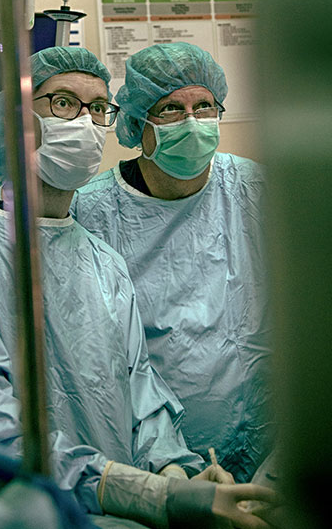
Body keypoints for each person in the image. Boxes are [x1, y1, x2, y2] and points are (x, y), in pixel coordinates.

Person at [0, 46, 277, 527]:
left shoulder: (101, 258)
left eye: (98, 107)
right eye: (63, 103)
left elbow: (141, 391)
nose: (84, 121)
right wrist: (139, 491)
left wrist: (176, 472)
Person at [70, 42, 272, 484]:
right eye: (170, 109)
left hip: (270, 441)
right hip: (150, 458)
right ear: (136, 123)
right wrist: (167, 473)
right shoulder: (91, 213)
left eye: (204, 107)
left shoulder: (255, 190)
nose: (192, 122)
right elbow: (96, 361)